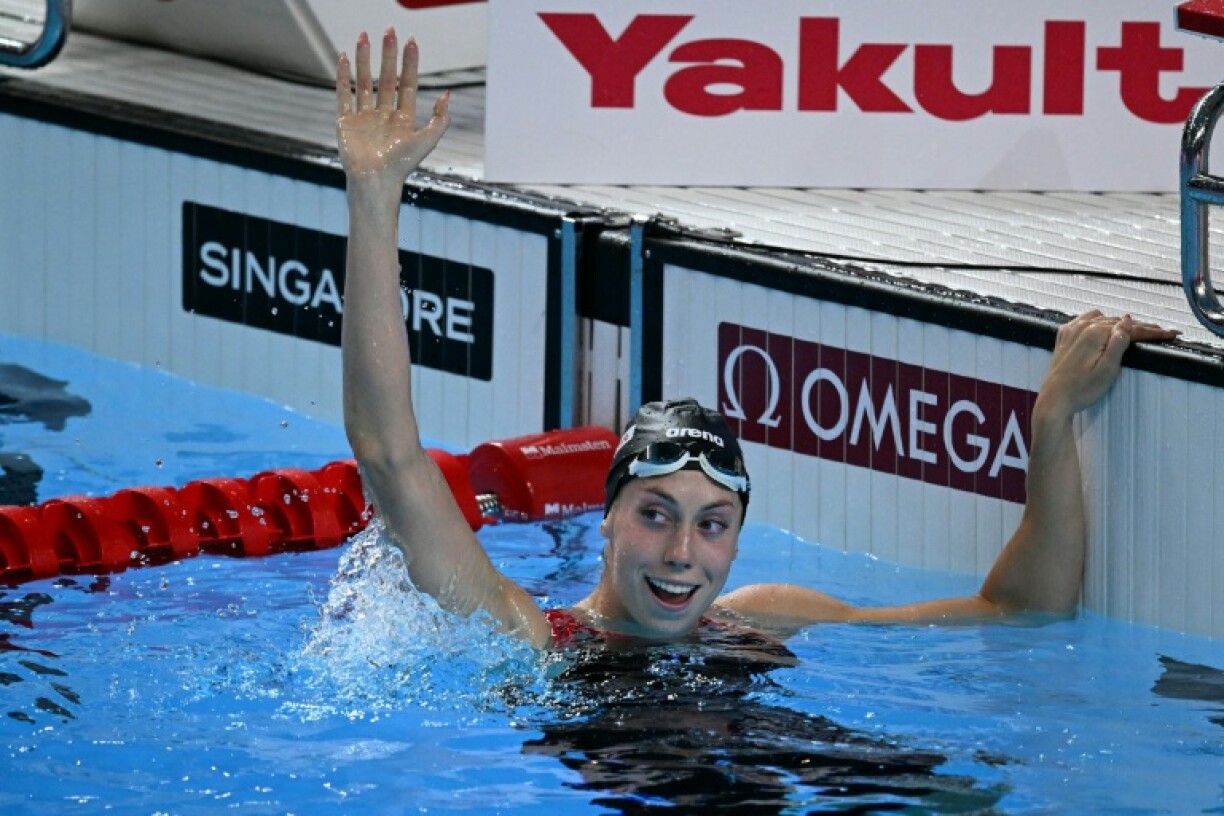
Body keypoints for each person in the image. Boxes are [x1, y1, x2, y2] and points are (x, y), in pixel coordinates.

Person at [337, 30, 1179, 650]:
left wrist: (1052, 420)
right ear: (606, 521)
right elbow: (388, 453)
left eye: (712, 524)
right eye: (656, 515)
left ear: (739, 536)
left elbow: (1023, 611)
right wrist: (374, 199)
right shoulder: (537, 637)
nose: (680, 555)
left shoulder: (764, 616)